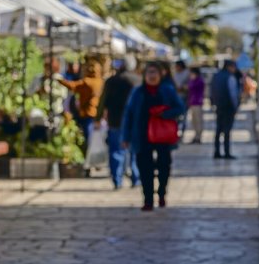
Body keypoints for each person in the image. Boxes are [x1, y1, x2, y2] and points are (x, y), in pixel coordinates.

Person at [122, 62, 184, 211]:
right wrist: (125, 136)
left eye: (154, 72)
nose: (152, 76)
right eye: (149, 72)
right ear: (144, 75)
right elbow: (129, 114)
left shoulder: (167, 90)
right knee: (145, 168)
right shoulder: (138, 92)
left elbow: (180, 108)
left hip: (163, 136)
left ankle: (162, 193)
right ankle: (148, 199)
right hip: (142, 135)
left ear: (160, 74)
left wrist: (165, 113)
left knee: (164, 166)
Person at [95, 59, 140, 189]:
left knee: (116, 150)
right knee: (134, 151)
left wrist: (98, 118)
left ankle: (117, 179)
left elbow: (103, 101)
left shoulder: (111, 81)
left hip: (115, 121)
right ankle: (135, 177)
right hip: (134, 122)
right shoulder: (137, 80)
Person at [56, 57, 104, 153]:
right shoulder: (100, 81)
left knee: (88, 136)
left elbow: (72, 86)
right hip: (97, 113)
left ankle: (89, 157)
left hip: (88, 113)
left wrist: (59, 80)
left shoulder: (87, 82)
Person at [211, 60, 240, 159]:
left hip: (219, 106)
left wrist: (213, 104)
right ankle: (226, 152)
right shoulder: (230, 77)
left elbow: (212, 91)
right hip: (228, 107)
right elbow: (233, 94)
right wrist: (235, 106)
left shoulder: (216, 76)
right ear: (229, 67)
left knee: (218, 130)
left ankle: (217, 152)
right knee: (227, 131)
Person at [187, 67, 205, 144]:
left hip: (197, 103)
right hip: (193, 102)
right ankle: (196, 135)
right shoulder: (193, 80)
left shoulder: (199, 81)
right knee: (194, 121)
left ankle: (198, 136)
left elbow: (191, 87)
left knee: (198, 121)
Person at [173, 60, 190, 137]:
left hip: (184, 97)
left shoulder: (187, 74)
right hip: (176, 97)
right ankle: (176, 132)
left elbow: (189, 86)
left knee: (183, 116)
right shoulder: (175, 74)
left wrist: (182, 88)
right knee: (176, 117)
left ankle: (182, 133)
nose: (176, 68)